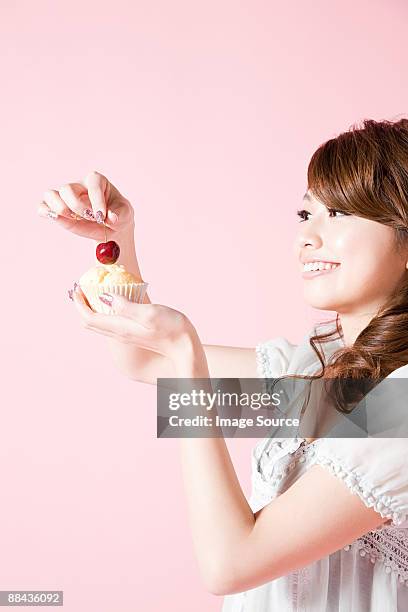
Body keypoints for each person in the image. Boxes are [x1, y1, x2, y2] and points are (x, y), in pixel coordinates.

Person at [38, 117, 408, 611]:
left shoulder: (399, 407)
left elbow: (229, 565)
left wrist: (187, 358)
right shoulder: (315, 371)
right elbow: (141, 359)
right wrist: (117, 237)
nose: (307, 238)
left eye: (339, 213)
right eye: (305, 214)